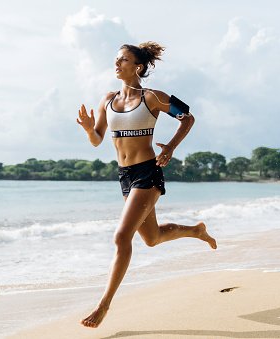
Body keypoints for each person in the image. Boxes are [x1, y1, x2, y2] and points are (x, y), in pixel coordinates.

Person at [76, 41, 217, 328]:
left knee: (120, 238)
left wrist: (171, 148)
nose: (116, 64)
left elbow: (187, 117)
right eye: (116, 60)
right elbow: (97, 140)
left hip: (147, 174)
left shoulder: (152, 97)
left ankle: (103, 306)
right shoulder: (107, 100)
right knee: (151, 239)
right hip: (125, 176)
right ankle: (195, 230)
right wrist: (91, 129)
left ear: (137, 66)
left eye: (123, 60)